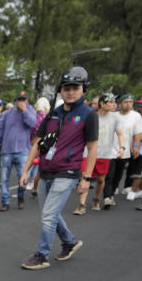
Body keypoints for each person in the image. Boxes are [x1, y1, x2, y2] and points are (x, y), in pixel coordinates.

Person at [18, 66, 97, 270]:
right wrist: (26, 170)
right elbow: (37, 142)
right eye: (66, 88)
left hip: (68, 172)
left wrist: (86, 178)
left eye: (75, 88)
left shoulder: (88, 115)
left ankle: (42, 255)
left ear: (83, 89)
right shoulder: (54, 114)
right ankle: (69, 241)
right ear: (61, 90)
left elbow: (92, 147)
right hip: (46, 170)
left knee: (48, 215)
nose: (70, 92)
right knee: (49, 213)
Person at [73, 93, 126, 214]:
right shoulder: (91, 116)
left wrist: (122, 147)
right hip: (88, 152)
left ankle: (96, 199)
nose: (114, 104)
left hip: (105, 154)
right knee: (85, 177)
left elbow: (120, 133)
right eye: (111, 102)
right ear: (102, 104)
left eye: (114, 102)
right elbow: (77, 126)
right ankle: (81, 205)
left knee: (101, 180)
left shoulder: (115, 118)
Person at [0, 90, 37, 211]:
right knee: (3, 178)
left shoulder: (30, 111)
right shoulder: (7, 113)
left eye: (24, 100)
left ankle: (20, 197)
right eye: (19, 100)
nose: (21, 102)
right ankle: (5, 201)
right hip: (6, 150)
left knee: (23, 177)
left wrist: (24, 110)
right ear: (15, 101)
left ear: (27, 101)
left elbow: (33, 123)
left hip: (23, 151)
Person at [106, 93, 142, 202]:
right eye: (126, 102)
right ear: (120, 104)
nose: (128, 104)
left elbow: (137, 133)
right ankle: (108, 196)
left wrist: (137, 147)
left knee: (118, 174)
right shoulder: (114, 115)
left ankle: (112, 191)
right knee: (110, 174)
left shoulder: (136, 116)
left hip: (124, 150)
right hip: (110, 149)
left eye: (130, 102)